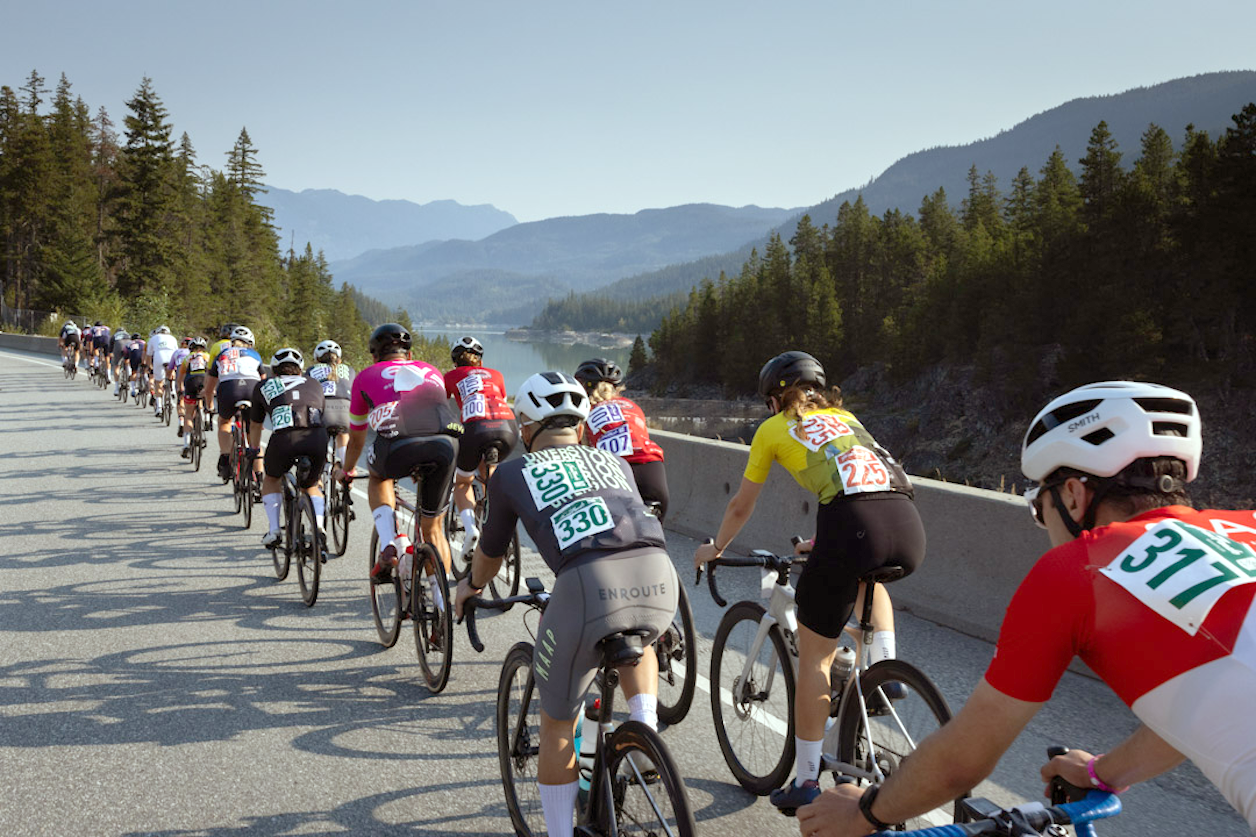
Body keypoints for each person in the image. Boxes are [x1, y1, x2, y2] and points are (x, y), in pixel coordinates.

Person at [796, 381, 1256, 836]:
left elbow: (966, 757)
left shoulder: (1080, 568)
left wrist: (865, 813)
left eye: (1040, 507)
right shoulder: (1247, 526)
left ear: (1074, 496)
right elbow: (1195, 712)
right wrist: (1103, 774)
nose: (1042, 523)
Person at [692, 351, 922, 814]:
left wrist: (715, 546)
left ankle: (806, 781)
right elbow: (861, 481)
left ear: (776, 397)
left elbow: (741, 505)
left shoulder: (773, 429)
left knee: (814, 659)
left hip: (852, 523)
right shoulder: (846, 417)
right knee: (868, 580)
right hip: (906, 522)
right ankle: (885, 672)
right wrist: (823, 540)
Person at [453, 371, 679, 837]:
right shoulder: (611, 461)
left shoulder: (513, 472)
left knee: (557, 725)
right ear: (579, 427)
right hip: (660, 578)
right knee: (640, 639)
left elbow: (491, 554)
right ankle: (643, 731)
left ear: (526, 428)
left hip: (587, 586)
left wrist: (469, 588)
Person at [340, 323, 458, 610]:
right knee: (433, 529)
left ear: (374, 356)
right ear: (411, 353)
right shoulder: (431, 370)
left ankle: (389, 542)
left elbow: (356, 440)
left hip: (398, 443)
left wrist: (346, 471)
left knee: (379, 477)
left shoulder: (365, 376)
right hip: (446, 443)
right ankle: (442, 604)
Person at [443, 336, 518, 563]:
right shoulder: (496, 375)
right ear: (480, 360)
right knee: (490, 478)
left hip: (475, 428)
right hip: (508, 428)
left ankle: (471, 529)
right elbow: (500, 400)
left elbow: (438, 406)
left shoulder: (451, 376)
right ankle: (499, 528)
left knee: (463, 482)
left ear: (456, 360)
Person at [247, 348, 328, 549]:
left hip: (285, 438)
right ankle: (318, 526)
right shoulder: (314, 383)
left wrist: (254, 449)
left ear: (274, 370)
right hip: (316, 437)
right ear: (300, 371)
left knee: (272, 478)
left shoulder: (264, 385)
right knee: (311, 485)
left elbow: (256, 425)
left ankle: (274, 530)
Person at [573, 357, 669, 520]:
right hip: (652, 471)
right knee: (654, 539)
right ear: (617, 388)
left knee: (608, 540)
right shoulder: (632, 407)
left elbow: (581, 454)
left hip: (615, 473)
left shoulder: (584, 411)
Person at [202, 325, 264, 482]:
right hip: (252, 389)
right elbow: (265, 382)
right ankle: (259, 477)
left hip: (229, 389)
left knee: (224, 422)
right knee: (253, 434)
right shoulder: (255, 355)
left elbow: (209, 388)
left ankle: (225, 456)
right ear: (250, 343)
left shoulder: (222, 354)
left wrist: (209, 406)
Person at [307, 339, 355, 468]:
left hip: (323, 410)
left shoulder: (311, 370)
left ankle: (317, 479)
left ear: (317, 359)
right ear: (339, 359)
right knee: (343, 433)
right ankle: (347, 473)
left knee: (317, 441)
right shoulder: (349, 370)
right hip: (346, 411)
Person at [175, 338, 211, 458]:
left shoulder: (187, 358)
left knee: (189, 415)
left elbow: (180, 376)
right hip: (204, 381)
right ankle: (206, 417)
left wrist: (180, 389)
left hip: (191, 382)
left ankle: (186, 444)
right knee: (205, 396)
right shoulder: (207, 356)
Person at [145, 325, 179, 417]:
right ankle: (172, 390)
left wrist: (149, 367)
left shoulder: (154, 338)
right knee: (172, 373)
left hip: (159, 356)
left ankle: (159, 407)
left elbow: (148, 355)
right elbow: (177, 352)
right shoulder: (173, 338)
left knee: (158, 382)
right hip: (171, 355)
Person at [109, 326, 131, 394]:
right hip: (127, 345)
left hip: (118, 346)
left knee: (117, 366)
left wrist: (110, 353)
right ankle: (129, 372)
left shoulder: (114, 336)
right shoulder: (128, 334)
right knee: (127, 361)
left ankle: (116, 389)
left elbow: (110, 348)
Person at [126, 332, 146, 399]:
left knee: (134, 372)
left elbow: (125, 351)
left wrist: (126, 358)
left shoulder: (130, 343)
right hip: (143, 356)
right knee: (144, 370)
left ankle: (133, 390)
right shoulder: (144, 342)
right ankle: (145, 380)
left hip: (134, 356)